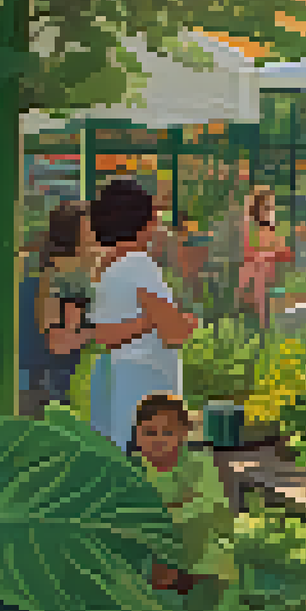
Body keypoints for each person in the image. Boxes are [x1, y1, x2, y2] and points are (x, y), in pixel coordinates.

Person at [85, 179, 198, 453]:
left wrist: (154, 320)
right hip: (148, 379)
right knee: (150, 464)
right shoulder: (139, 265)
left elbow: (103, 334)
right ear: (143, 223)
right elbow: (173, 333)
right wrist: (180, 321)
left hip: (118, 374)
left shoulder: (105, 266)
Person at [130, 393, 236, 583]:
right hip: (149, 553)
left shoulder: (200, 463)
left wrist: (162, 511)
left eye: (168, 432)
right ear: (137, 435)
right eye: (150, 432)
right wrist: (179, 505)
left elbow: (209, 509)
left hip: (201, 550)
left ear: (183, 434)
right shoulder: (132, 468)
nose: (159, 439)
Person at [19, 204, 96, 416]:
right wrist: (106, 330)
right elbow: (60, 342)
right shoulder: (69, 276)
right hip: (50, 388)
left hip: (31, 383)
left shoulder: (47, 271)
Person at [236, 186, 293, 329]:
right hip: (255, 277)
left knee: (261, 267)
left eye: (272, 208)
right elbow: (248, 254)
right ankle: (261, 322)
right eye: (267, 207)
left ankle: (264, 323)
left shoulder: (272, 229)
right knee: (258, 268)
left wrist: (271, 253)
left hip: (271, 276)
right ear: (256, 209)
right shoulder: (250, 229)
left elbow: (286, 253)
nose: (270, 212)